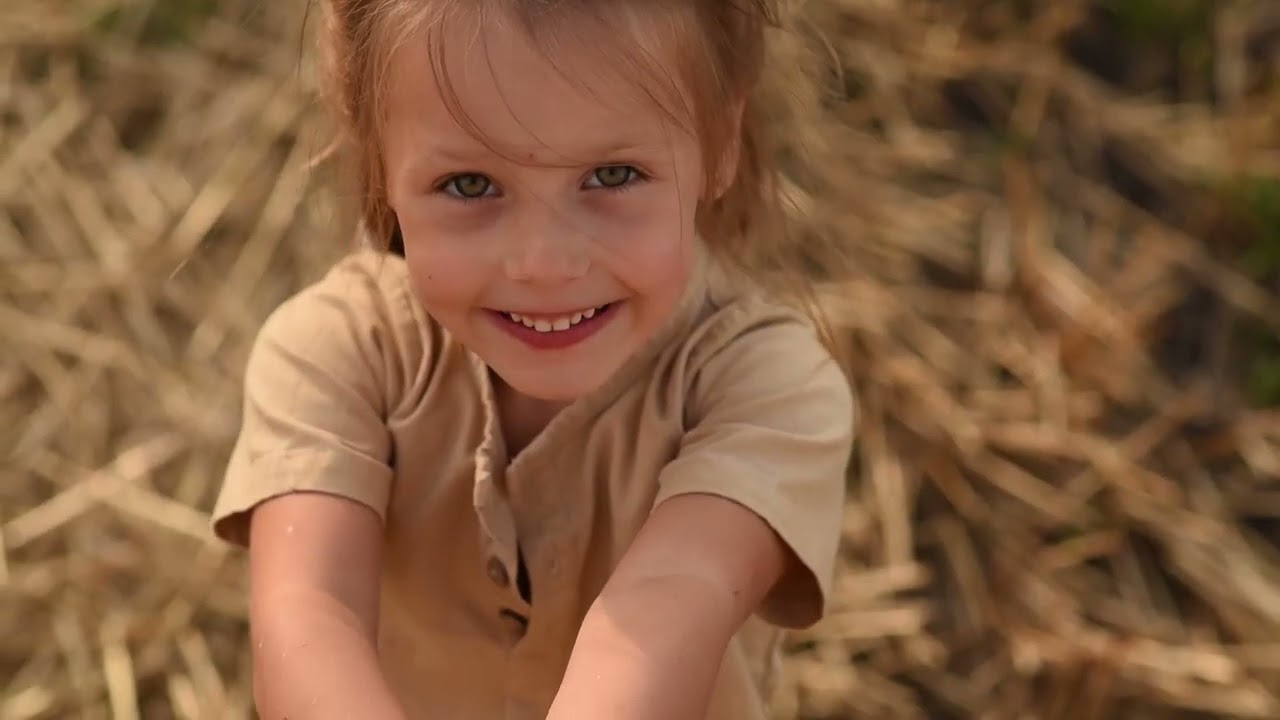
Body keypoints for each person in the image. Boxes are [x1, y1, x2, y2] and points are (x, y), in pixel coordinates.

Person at [209, 1, 856, 718]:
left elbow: (660, 613)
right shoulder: (337, 355)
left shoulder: (768, 391)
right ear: (377, 152)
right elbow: (308, 617)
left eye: (612, 176)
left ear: (719, 140)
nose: (544, 264)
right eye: (470, 185)